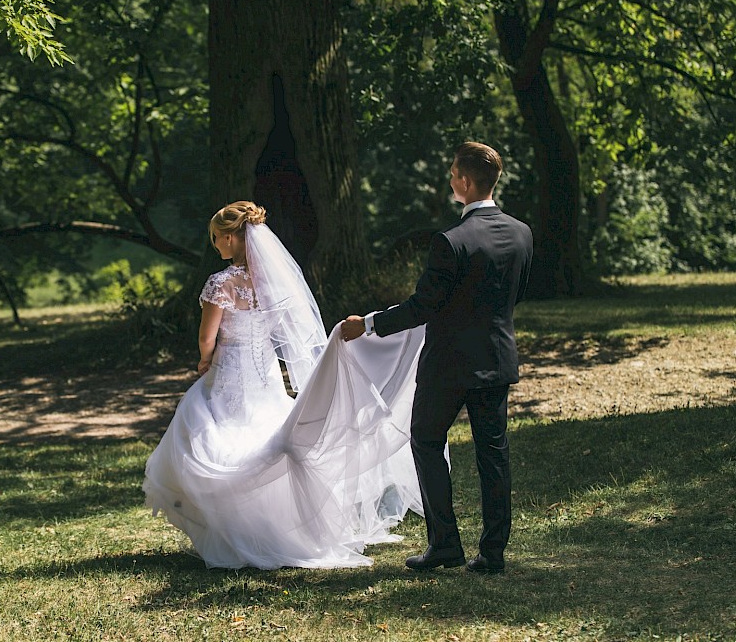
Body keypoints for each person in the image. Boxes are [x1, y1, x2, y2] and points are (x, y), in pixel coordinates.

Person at [143, 201, 426, 569]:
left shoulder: (220, 283)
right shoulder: (272, 281)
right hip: (266, 375)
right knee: (268, 433)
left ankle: (236, 527)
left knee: (211, 433)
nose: (215, 246)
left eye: (216, 239)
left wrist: (204, 358)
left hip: (229, 371)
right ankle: (272, 523)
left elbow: (206, 337)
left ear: (230, 237)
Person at [341, 142, 533, 574]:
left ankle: (445, 544)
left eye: (452, 173)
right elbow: (513, 297)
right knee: (493, 454)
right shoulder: (522, 233)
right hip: (496, 359)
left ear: (465, 182)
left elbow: (421, 307)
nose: (449, 179)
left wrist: (368, 324)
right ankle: (493, 553)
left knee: (426, 440)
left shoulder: (450, 241)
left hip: (448, 365)